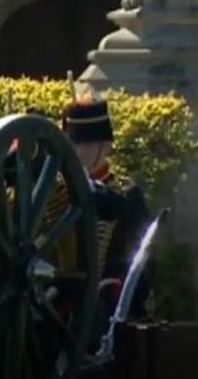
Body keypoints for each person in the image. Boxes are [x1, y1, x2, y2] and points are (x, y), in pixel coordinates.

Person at [61, 96, 153, 318]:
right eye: (75, 143)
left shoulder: (126, 193)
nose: (81, 151)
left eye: (89, 144)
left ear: (106, 146)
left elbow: (140, 263)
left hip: (105, 307)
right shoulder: (58, 191)